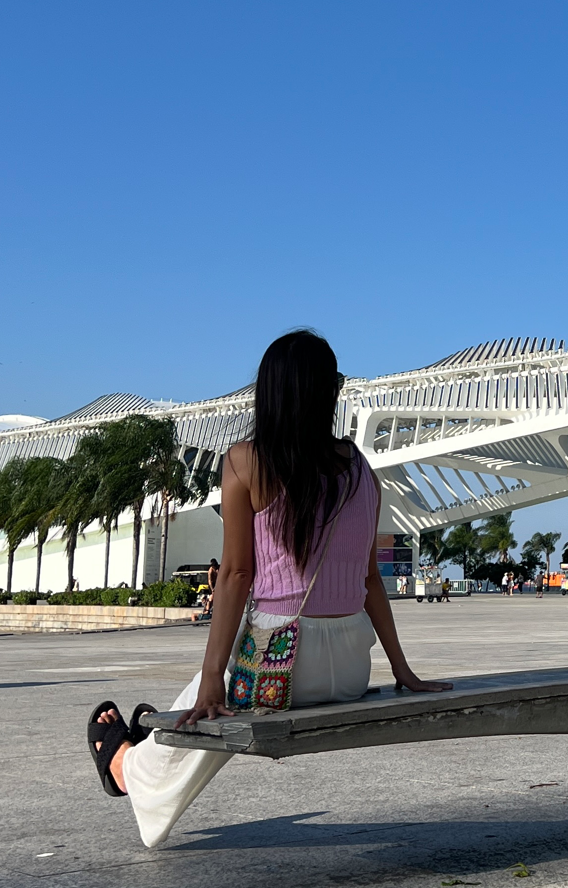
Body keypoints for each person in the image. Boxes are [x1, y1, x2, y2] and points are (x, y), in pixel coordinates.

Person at [86, 330, 452, 848]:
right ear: (326, 392)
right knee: (219, 693)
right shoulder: (358, 468)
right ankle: (145, 749)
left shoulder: (245, 462)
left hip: (282, 668)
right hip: (349, 671)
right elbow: (371, 579)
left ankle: (126, 766)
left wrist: (212, 679)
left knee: (210, 696)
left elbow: (237, 575)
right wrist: (402, 671)